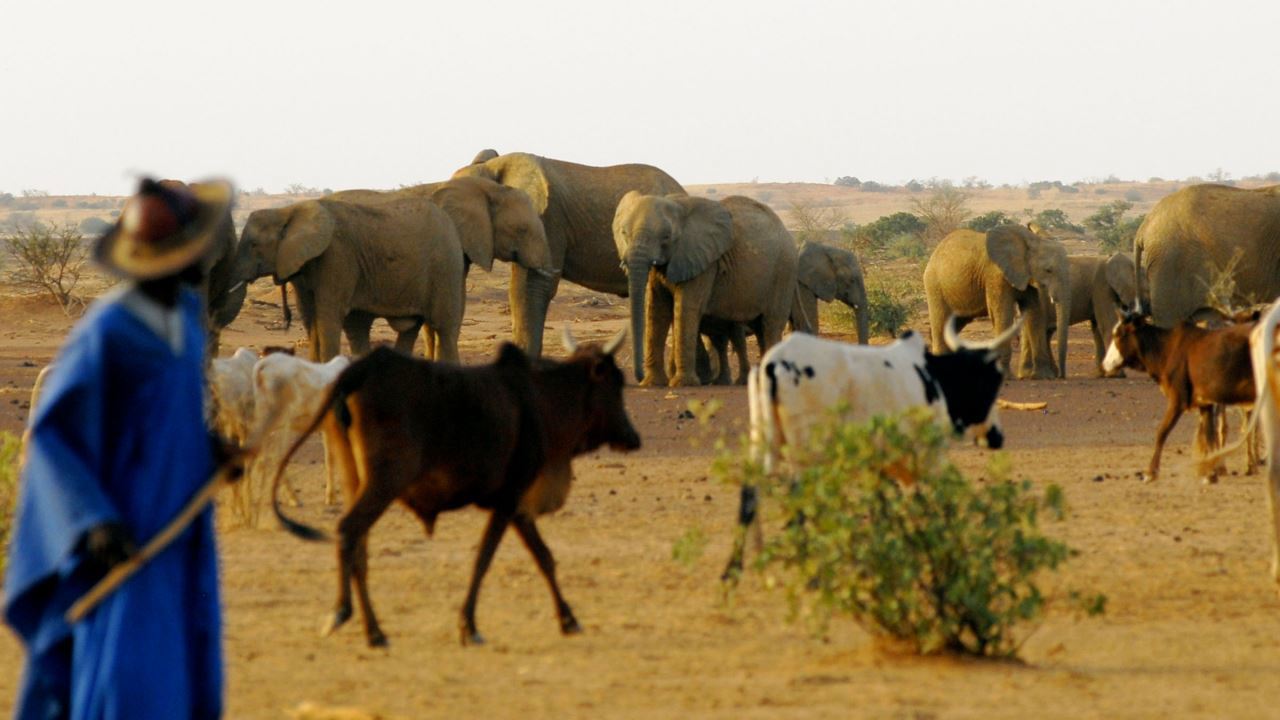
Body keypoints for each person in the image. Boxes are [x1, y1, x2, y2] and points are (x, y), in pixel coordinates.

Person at [4, 177, 235, 719]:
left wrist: (208, 451)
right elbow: (56, 439)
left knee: (183, 658)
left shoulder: (185, 323)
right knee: (127, 673)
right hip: (127, 537)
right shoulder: (108, 335)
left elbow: (164, 424)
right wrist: (93, 521)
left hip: (179, 531)